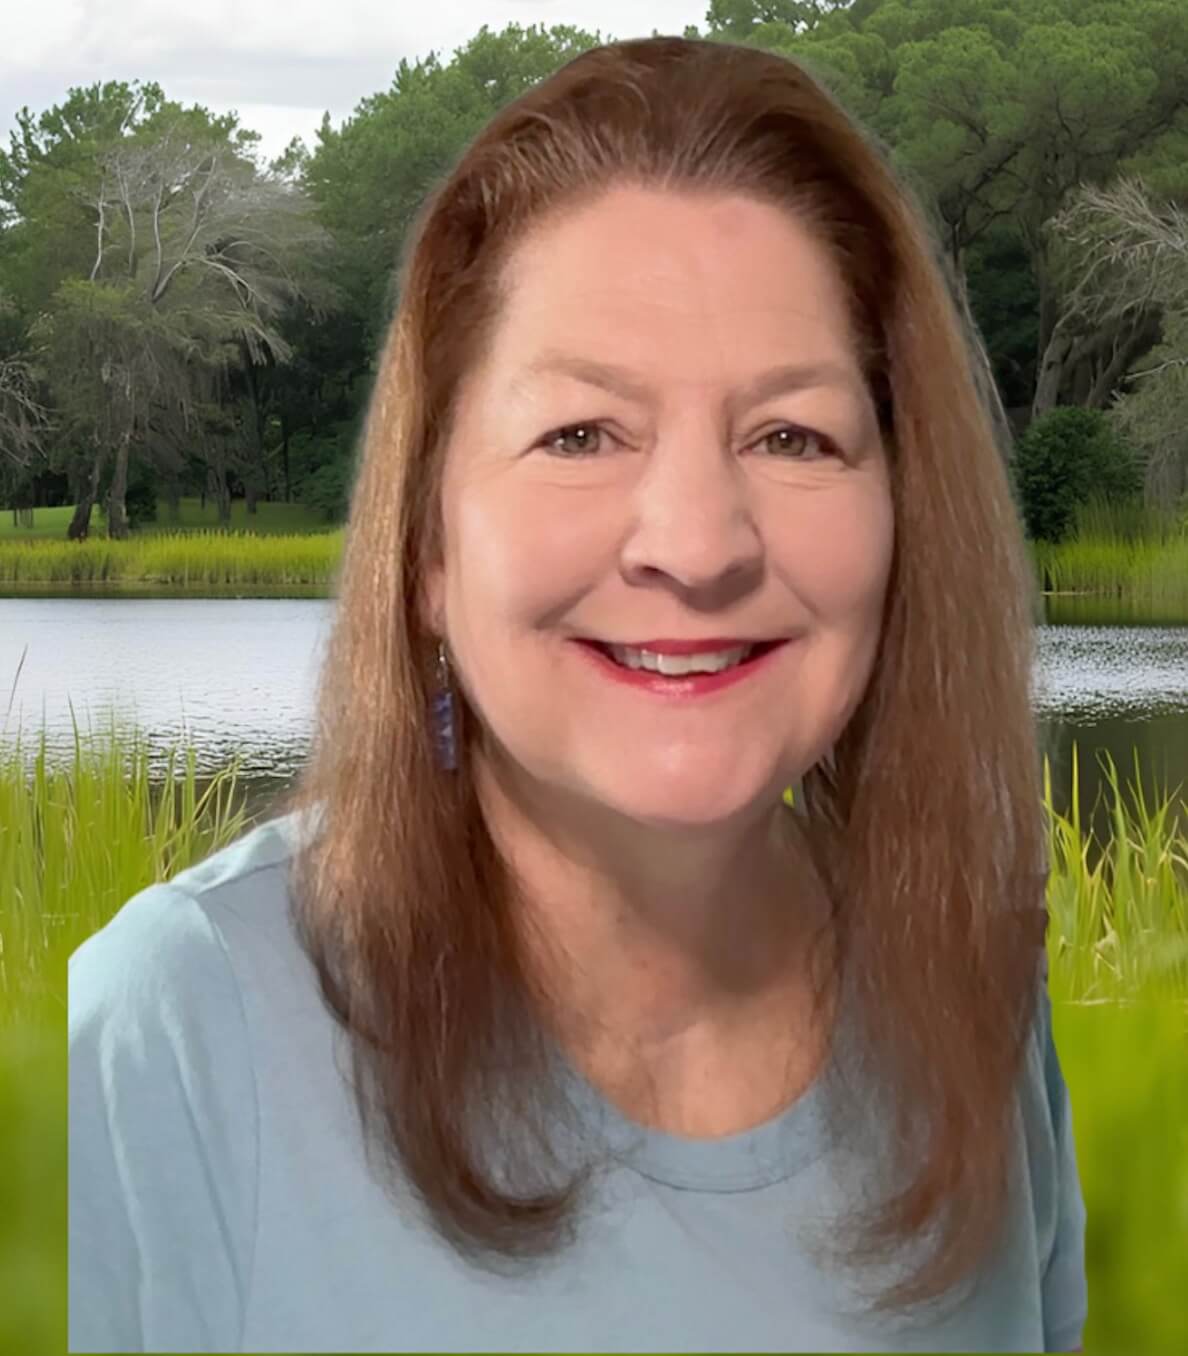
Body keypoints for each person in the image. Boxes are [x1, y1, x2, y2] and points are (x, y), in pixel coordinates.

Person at [68, 35, 1087, 1354]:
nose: (697, 541)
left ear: (904, 518)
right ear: (427, 546)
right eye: (581, 434)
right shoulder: (175, 1033)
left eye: (793, 435)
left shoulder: (977, 985)